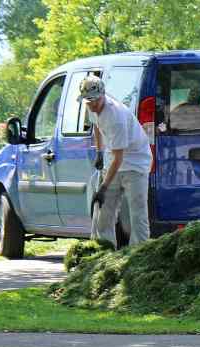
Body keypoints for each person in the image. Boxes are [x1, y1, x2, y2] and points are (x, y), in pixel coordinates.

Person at [79, 75, 152, 247]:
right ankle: (105, 252)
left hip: (135, 163)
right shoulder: (91, 105)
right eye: (88, 102)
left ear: (103, 95)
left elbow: (119, 159)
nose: (92, 105)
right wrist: (99, 151)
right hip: (113, 160)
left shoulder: (116, 117)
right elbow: (96, 126)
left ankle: (139, 254)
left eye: (95, 101)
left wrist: (103, 188)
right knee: (104, 212)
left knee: (137, 214)